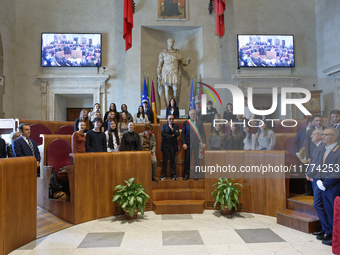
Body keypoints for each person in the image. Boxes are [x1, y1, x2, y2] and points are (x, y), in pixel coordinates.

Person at [312, 128, 340, 246]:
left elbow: (337, 171)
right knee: (329, 211)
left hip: (333, 186)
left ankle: (336, 238)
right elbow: (320, 166)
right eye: (322, 134)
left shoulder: (338, 150)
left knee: (335, 213)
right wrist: (319, 180)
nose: (322, 136)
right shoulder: (324, 149)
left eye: (326, 134)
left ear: (334, 137)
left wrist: (325, 183)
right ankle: (331, 234)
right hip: (324, 186)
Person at [306, 129, 328, 241]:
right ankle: (325, 229)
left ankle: (327, 230)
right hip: (316, 178)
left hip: (320, 179)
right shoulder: (317, 146)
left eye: (313, 134)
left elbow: (318, 163)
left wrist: (309, 174)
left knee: (318, 204)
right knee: (319, 204)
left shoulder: (322, 146)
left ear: (319, 136)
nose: (311, 136)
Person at [157, 38, 190, 107]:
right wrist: (158, 74)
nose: (171, 43)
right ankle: (168, 107)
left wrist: (187, 62)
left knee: (175, 89)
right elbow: (159, 65)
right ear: (167, 43)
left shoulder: (177, 53)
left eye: (172, 42)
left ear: (173, 43)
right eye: (169, 42)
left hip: (174, 71)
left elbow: (183, 62)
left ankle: (174, 106)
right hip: (166, 71)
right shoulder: (163, 53)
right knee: (166, 89)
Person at [182, 109, 206, 180]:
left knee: (196, 160)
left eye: (194, 114)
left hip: (197, 144)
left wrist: (204, 142)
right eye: (191, 114)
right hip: (188, 144)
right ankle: (186, 174)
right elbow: (183, 134)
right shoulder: (186, 123)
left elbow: (203, 134)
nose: (193, 116)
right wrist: (183, 143)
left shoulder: (200, 122)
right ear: (189, 115)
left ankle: (196, 174)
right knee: (187, 160)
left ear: (196, 115)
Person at [160, 114, 180, 180]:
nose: (171, 120)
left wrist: (172, 129)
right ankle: (163, 174)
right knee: (165, 160)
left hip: (173, 145)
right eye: (169, 119)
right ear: (167, 119)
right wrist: (171, 136)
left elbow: (177, 134)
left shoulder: (176, 126)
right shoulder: (164, 126)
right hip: (165, 145)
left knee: (173, 160)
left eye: (172, 119)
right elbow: (163, 134)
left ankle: (174, 175)